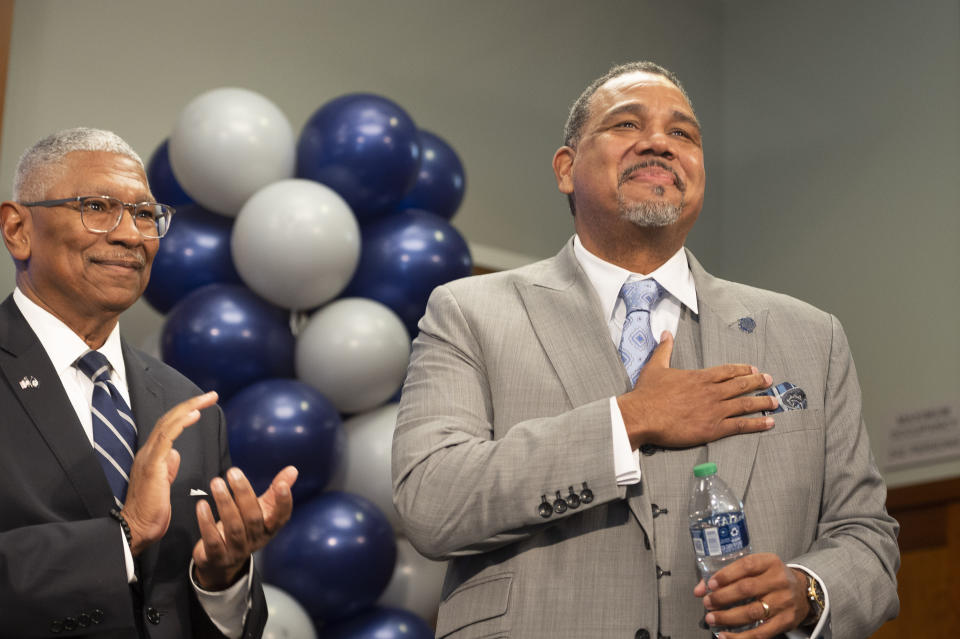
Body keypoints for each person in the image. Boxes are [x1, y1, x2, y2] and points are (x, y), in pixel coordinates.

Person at [392, 62, 900, 639]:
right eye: (626, 124)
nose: (659, 142)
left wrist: (809, 589)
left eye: (683, 134)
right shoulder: (469, 312)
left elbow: (867, 537)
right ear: (566, 170)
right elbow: (431, 503)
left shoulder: (813, 336)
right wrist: (628, 420)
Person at [0, 127, 299, 638]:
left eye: (145, 215)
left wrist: (219, 579)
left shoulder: (190, 406)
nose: (131, 235)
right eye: (97, 207)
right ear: (18, 229)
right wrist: (125, 534)